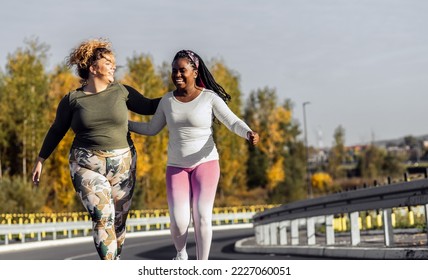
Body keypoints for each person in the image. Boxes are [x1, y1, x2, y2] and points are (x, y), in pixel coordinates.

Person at [31, 38, 160, 260]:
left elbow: (149, 106)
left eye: (114, 62)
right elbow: (57, 130)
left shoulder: (121, 92)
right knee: (103, 217)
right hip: (86, 165)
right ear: (93, 68)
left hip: (123, 166)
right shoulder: (73, 100)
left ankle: (114, 257)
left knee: (118, 224)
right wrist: (41, 160)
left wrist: (180, 95)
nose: (113, 67)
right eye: (108, 62)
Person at [129, 50, 259, 260]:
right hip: (176, 166)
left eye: (182, 70)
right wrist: (124, 125)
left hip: (205, 163)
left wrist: (248, 133)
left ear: (195, 71)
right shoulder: (167, 101)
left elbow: (232, 121)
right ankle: (181, 255)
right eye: (174, 71)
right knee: (179, 221)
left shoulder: (209, 98)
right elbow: (152, 129)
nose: (177, 75)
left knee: (202, 216)